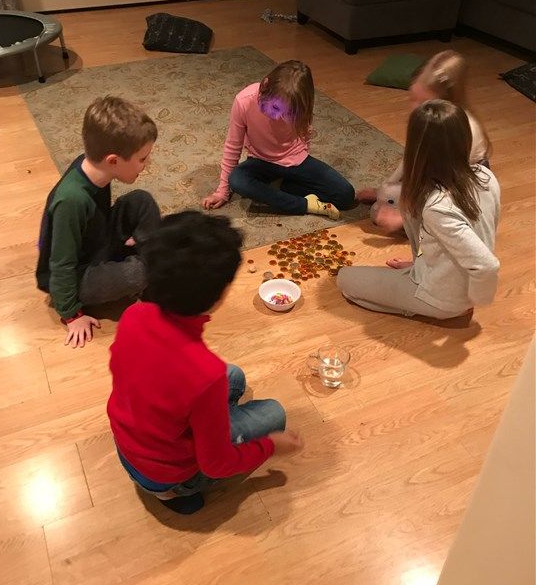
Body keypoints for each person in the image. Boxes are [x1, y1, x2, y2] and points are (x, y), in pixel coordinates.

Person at [107, 211, 304, 515]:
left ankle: (207, 427)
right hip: (167, 476)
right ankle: (176, 494)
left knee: (234, 376)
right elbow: (217, 463)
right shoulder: (203, 372)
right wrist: (272, 448)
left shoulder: (133, 316)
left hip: (129, 446)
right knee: (274, 413)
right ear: (221, 294)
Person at [337, 100, 500, 320]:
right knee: (412, 211)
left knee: (345, 280)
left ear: (417, 148)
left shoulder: (437, 207)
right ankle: (423, 286)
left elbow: (487, 265)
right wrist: (422, 263)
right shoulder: (485, 175)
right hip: (446, 281)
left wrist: (474, 299)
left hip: (442, 298)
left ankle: (422, 306)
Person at [36, 96, 161, 348]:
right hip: (77, 273)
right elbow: (60, 265)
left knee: (141, 200)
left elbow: (100, 219)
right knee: (139, 272)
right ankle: (153, 269)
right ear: (113, 160)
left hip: (98, 241)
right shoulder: (71, 201)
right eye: (142, 159)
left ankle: (154, 263)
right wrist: (71, 314)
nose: (147, 165)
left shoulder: (95, 167)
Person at [202, 59, 355, 220]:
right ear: (265, 85)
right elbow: (233, 147)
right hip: (260, 161)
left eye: (287, 113)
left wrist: (298, 169)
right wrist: (222, 192)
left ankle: (278, 187)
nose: (277, 117)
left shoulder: (298, 106)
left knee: (345, 196)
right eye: (275, 108)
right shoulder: (244, 101)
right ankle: (306, 204)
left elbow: (305, 138)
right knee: (237, 180)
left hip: (296, 161)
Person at [358, 50, 492, 233]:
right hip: (435, 176)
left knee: (429, 220)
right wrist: (382, 191)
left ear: (447, 105)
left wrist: (402, 220)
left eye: (423, 102)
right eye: (412, 98)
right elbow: (413, 159)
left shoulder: (461, 131)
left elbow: (446, 189)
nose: (414, 108)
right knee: (383, 207)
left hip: (459, 188)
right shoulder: (429, 120)